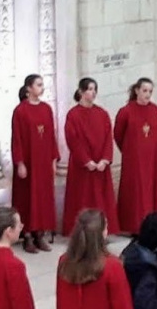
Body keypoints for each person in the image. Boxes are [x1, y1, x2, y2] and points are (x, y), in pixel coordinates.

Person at [62, 78, 120, 236]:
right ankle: (82, 233)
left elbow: (109, 136)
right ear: (81, 91)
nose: (93, 92)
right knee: (83, 199)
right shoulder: (73, 115)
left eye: (95, 89)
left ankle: (102, 231)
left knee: (101, 199)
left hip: (100, 165)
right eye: (89, 89)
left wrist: (105, 159)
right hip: (83, 166)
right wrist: (86, 161)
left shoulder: (102, 113)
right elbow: (73, 140)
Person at [11, 75, 59, 252]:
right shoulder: (20, 111)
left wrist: (53, 159)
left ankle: (40, 233)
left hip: (44, 161)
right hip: (29, 162)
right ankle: (28, 236)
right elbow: (17, 139)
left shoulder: (46, 109)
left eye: (42, 85)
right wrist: (20, 163)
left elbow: (51, 136)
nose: (42, 88)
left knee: (43, 198)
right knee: (27, 197)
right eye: (38, 85)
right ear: (29, 88)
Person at [114, 77, 157, 236]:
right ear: (137, 91)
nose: (147, 94)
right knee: (136, 192)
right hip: (134, 160)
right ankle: (136, 226)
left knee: (152, 190)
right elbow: (118, 134)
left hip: (154, 159)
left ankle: (154, 224)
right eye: (144, 91)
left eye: (150, 91)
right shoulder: (126, 111)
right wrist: (130, 150)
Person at [56, 209, 133, 309]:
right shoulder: (112, 266)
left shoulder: (64, 261)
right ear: (102, 234)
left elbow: (61, 302)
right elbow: (123, 305)